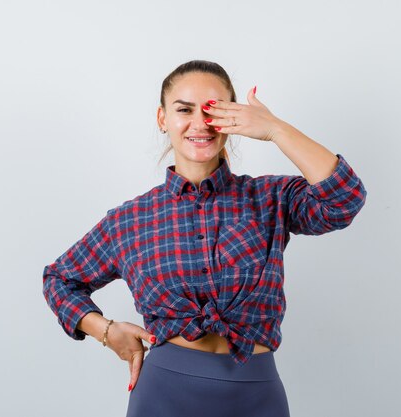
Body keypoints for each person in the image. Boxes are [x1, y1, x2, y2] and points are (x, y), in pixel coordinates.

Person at [42, 59, 367, 417]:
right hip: (163, 394)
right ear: (162, 118)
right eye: (184, 110)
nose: (200, 124)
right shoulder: (130, 220)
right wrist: (105, 331)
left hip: (257, 395)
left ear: (233, 117)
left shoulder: (270, 198)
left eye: (213, 110)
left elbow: (343, 199)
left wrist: (275, 129)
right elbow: (60, 279)